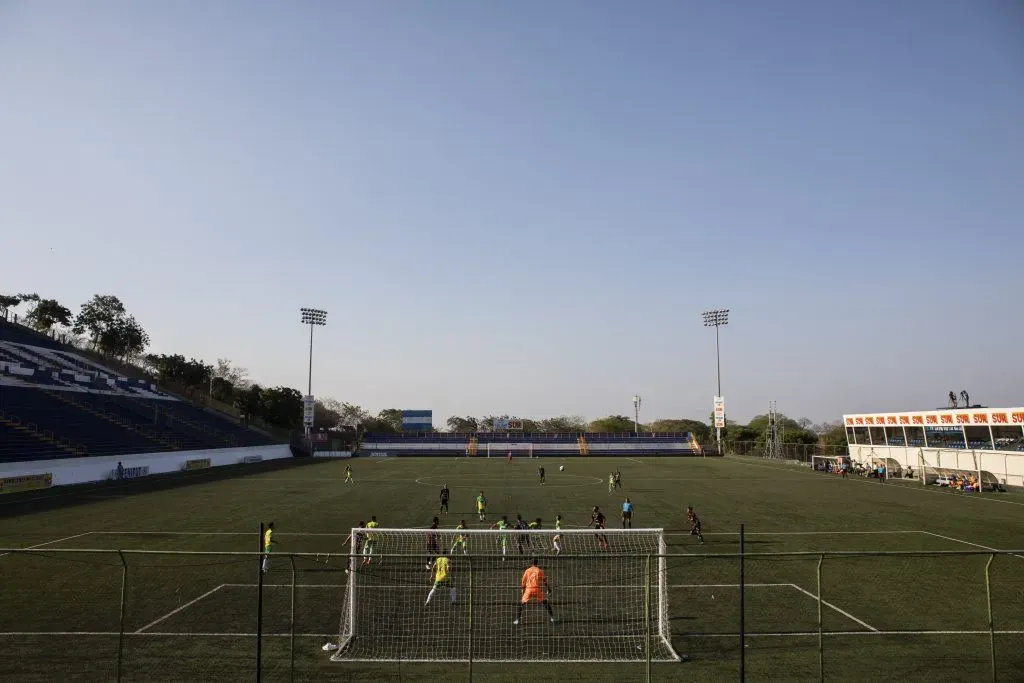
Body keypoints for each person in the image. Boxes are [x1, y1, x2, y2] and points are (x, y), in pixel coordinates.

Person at [514, 558, 555, 625]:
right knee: (545, 602)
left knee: (521, 604)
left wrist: (523, 590)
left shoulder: (527, 570)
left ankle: (517, 620)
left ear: (531, 563)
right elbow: (544, 581)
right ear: (537, 563)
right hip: (537, 589)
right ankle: (552, 617)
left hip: (529, 589)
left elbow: (523, 582)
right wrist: (549, 589)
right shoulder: (539, 570)